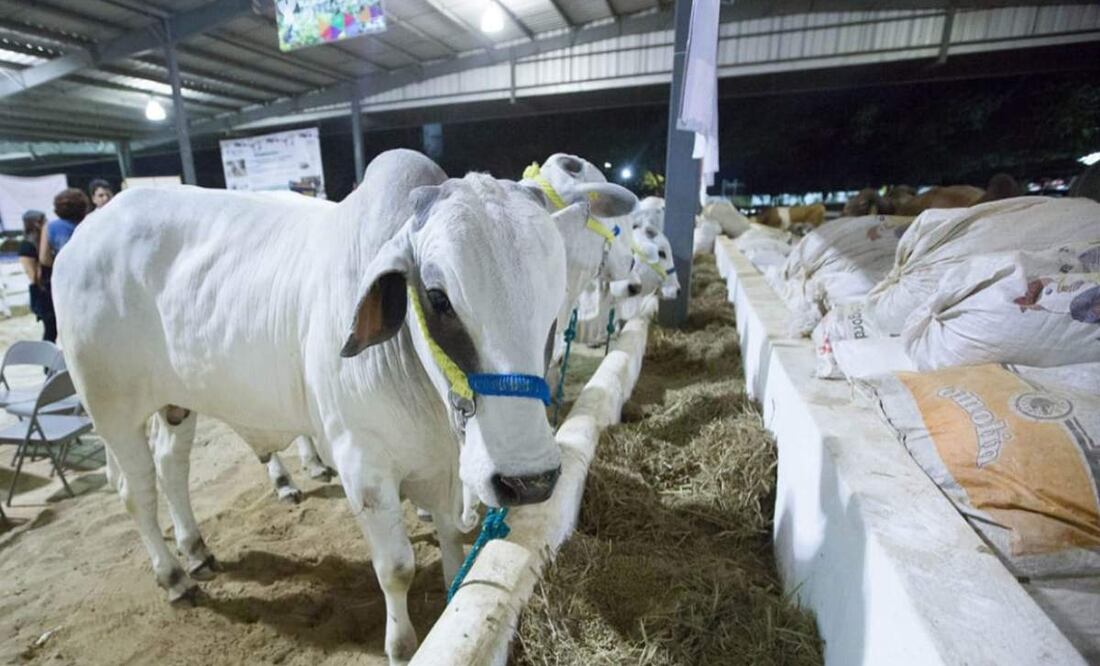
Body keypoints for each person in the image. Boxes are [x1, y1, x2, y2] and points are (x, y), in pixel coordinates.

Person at [19, 210, 56, 341]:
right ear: (35, 223)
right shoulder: (26, 246)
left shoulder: (44, 242)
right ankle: (46, 359)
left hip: (51, 288)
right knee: (51, 328)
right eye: (43, 220)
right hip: (42, 291)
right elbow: (32, 275)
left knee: (55, 327)